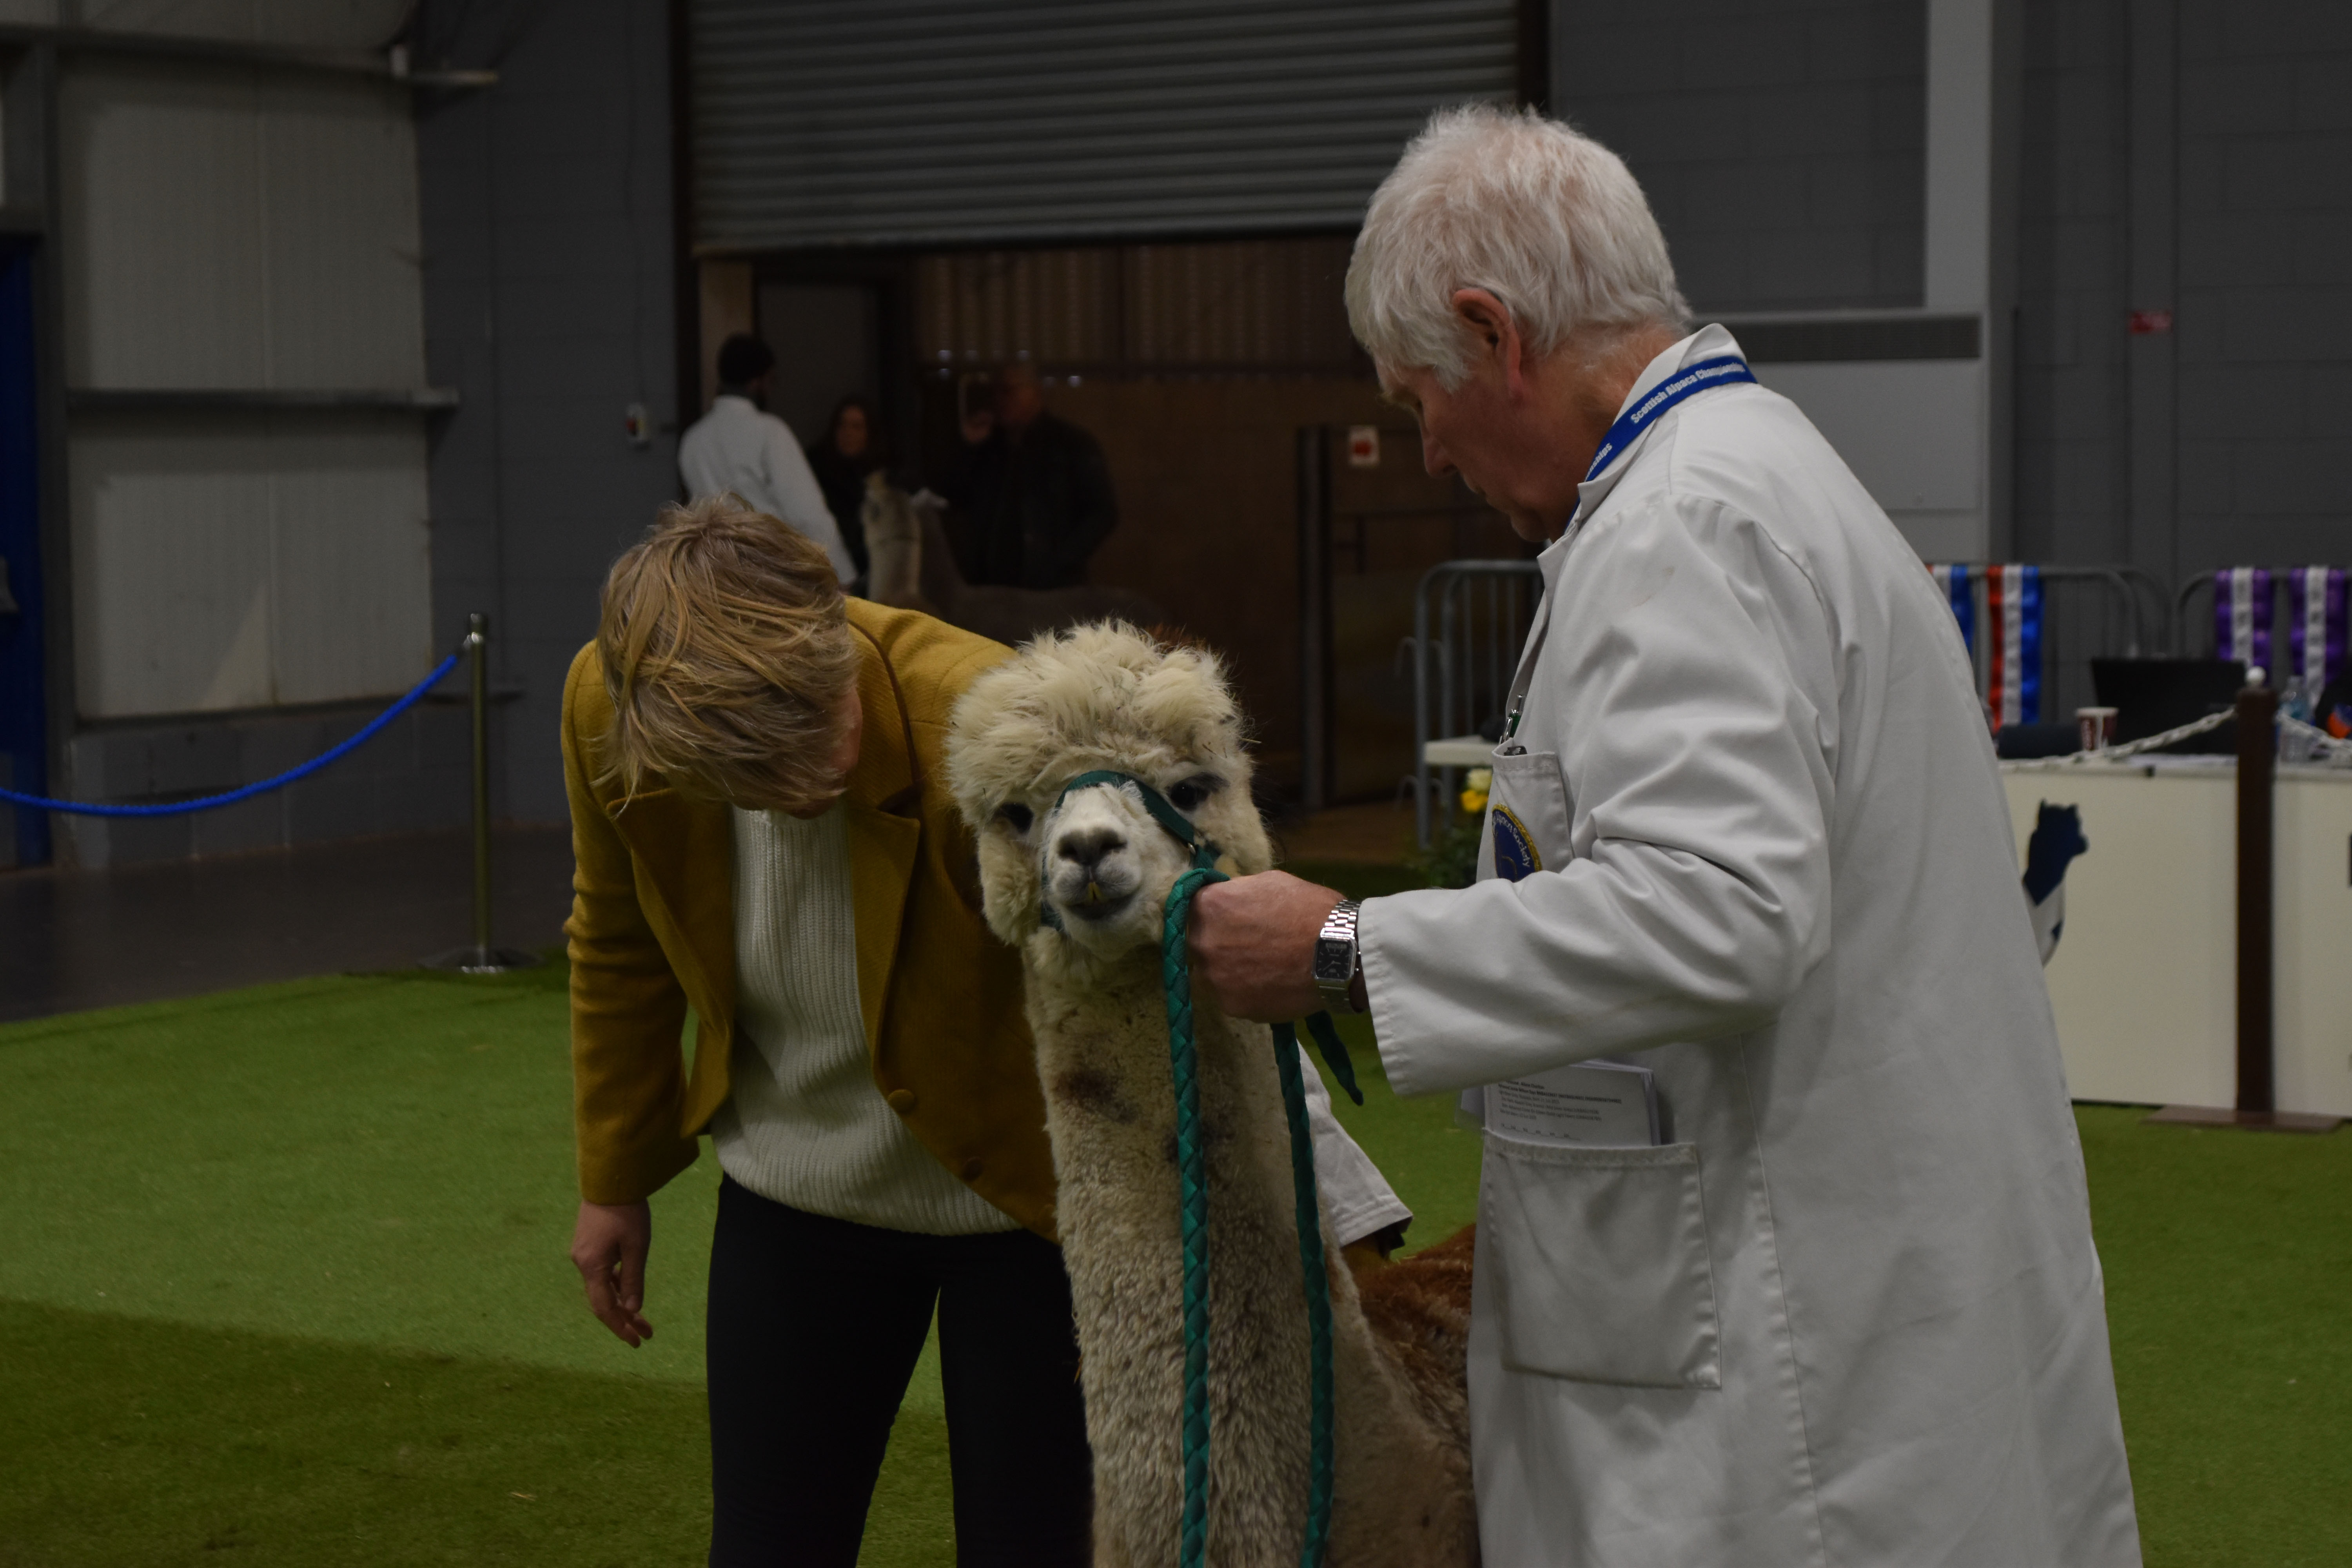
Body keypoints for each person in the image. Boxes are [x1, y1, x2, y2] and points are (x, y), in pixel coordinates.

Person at [1188, 106, 2143, 1565]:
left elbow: (1718, 908)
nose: (1427, 446)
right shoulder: (1745, 475)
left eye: (1419, 393)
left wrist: (1337, 947)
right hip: (1835, 1259)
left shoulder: (1682, 522)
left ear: (1493, 331)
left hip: (1776, 1351)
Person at [563, 496, 1410, 1566]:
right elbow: (618, 934)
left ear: (839, 627)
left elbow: (1181, 966)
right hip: (794, 1194)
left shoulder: (994, 717)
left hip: (1029, 1210)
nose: (818, 769)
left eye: (827, 717)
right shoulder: (618, 708)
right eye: (760, 770)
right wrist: (615, 1178)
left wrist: (1345, 1216)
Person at [677, 333, 856, 585]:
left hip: (717, 575)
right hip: (772, 574)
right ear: (757, 381)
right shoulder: (770, 432)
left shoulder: (693, 440)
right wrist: (842, 575)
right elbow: (807, 513)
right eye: (771, 380)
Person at [936, 362, 1117, 590]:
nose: (1000, 400)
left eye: (1009, 391)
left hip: (1051, 587)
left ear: (1035, 392)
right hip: (994, 586)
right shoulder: (989, 448)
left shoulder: (1071, 445)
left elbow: (1103, 512)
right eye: (996, 392)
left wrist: (1062, 561)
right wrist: (970, 448)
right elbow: (954, 495)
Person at [804, 394, 885, 589]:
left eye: (856, 427)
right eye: (842, 425)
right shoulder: (815, 473)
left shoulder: (881, 480)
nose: (848, 433)